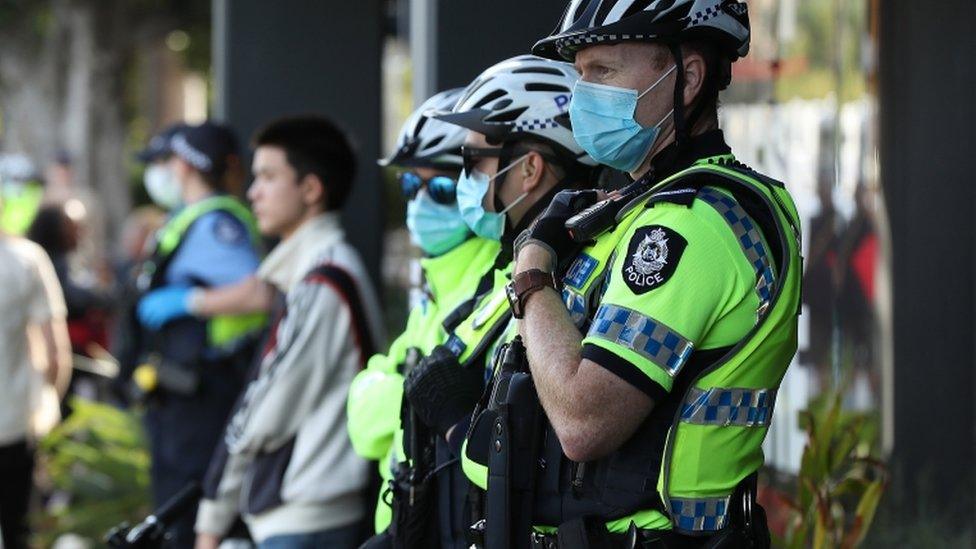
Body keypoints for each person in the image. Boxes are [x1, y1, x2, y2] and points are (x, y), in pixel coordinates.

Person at [464, 1, 804, 546]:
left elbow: (584, 420)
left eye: (603, 72)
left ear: (688, 78)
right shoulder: (637, 210)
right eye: (579, 75)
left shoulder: (693, 223)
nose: (583, 95)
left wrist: (532, 270)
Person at [400, 55, 598, 548]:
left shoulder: (571, 276)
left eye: (471, 163)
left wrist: (456, 422)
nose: (467, 179)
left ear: (529, 169)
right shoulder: (514, 267)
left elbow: (545, 454)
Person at [194, 116, 386, 549]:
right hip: (300, 516)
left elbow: (264, 411)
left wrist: (210, 522)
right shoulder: (315, 274)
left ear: (311, 189)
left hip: (306, 522)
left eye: (267, 176)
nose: (252, 192)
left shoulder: (324, 281)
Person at [347, 87, 504, 544]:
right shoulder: (436, 282)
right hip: (405, 522)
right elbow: (362, 420)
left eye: (438, 187)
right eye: (409, 185)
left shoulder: (494, 276)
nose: (419, 203)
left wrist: (393, 387)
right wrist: (400, 390)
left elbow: (402, 397)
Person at [131, 121, 267, 548]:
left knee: (187, 517)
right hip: (184, 396)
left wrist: (191, 302)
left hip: (204, 395)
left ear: (186, 165)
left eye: (167, 160)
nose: (163, 171)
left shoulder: (214, 224)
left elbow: (260, 292)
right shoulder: (190, 219)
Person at [0, 193, 71, 549]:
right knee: (19, 531)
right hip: (14, 425)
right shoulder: (26, 259)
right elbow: (57, 354)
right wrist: (49, 408)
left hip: (16, 423)